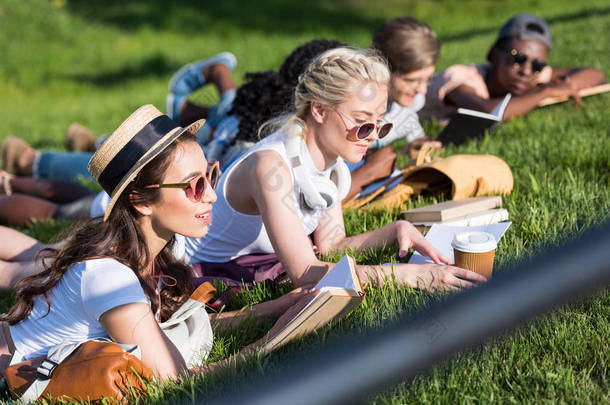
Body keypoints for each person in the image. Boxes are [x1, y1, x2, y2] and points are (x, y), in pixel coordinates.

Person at [0, 105, 314, 382]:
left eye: (211, 177)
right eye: (195, 185)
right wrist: (275, 340)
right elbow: (177, 380)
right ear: (141, 200)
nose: (212, 196)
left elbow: (170, 329)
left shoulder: (149, 252)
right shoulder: (111, 278)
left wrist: (278, 308)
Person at [184, 47, 487, 292]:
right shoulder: (270, 167)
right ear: (319, 110)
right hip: (198, 272)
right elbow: (305, 271)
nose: (372, 135)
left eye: (380, 123)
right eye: (362, 121)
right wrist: (404, 275)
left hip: (244, 264)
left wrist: (395, 230)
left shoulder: (329, 160)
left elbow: (330, 246)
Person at [419, 13, 606, 122]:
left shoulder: (534, 73)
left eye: (537, 64)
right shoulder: (462, 78)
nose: (526, 70)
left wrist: (565, 84)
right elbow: (488, 111)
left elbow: (596, 75)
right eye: (518, 58)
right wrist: (545, 93)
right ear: (494, 53)